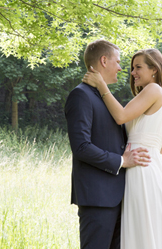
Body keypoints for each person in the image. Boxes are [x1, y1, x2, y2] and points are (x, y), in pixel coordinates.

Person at [82, 48, 162, 248]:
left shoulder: (153, 90)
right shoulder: (160, 99)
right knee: (146, 230)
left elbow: (121, 116)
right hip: (144, 168)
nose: (132, 72)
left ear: (154, 70)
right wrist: (150, 149)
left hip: (143, 172)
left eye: (138, 67)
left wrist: (101, 86)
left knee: (143, 231)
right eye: (133, 68)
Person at [65, 39, 152, 249]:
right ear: (104, 61)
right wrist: (122, 161)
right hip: (97, 198)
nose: (122, 68)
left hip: (120, 197)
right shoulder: (80, 95)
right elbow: (81, 147)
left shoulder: (105, 96)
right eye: (118, 62)